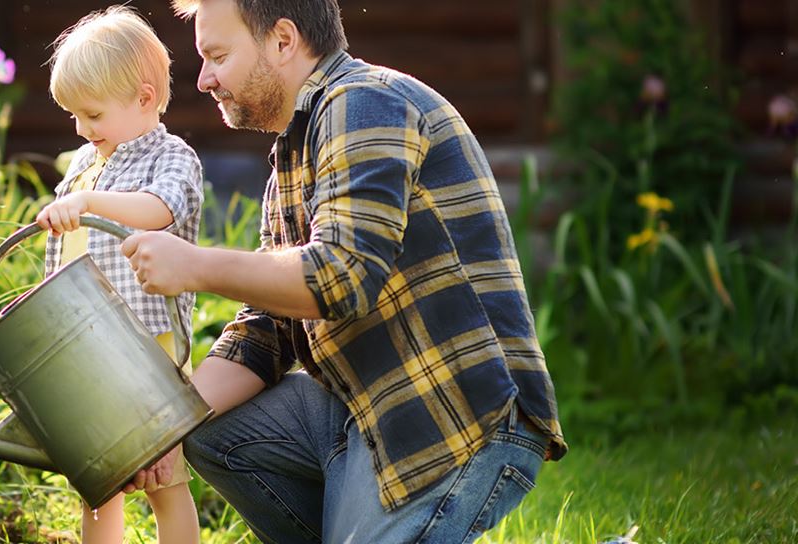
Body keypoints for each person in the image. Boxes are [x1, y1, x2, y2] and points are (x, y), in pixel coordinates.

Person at [118, 0, 569, 542]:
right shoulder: (293, 157)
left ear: (283, 41)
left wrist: (196, 265)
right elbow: (267, 329)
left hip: (452, 412)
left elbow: (342, 274)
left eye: (217, 56)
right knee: (210, 430)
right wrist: (163, 428)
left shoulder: (366, 102)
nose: (204, 79)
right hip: (363, 410)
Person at [37, 6, 205, 543]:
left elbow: (159, 209)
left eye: (93, 114)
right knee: (97, 480)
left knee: (163, 480)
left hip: (147, 346)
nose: (82, 129)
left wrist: (88, 202)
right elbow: (64, 252)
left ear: (144, 98)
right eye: (74, 116)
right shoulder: (84, 165)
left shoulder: (172, 157)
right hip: (86, 344)